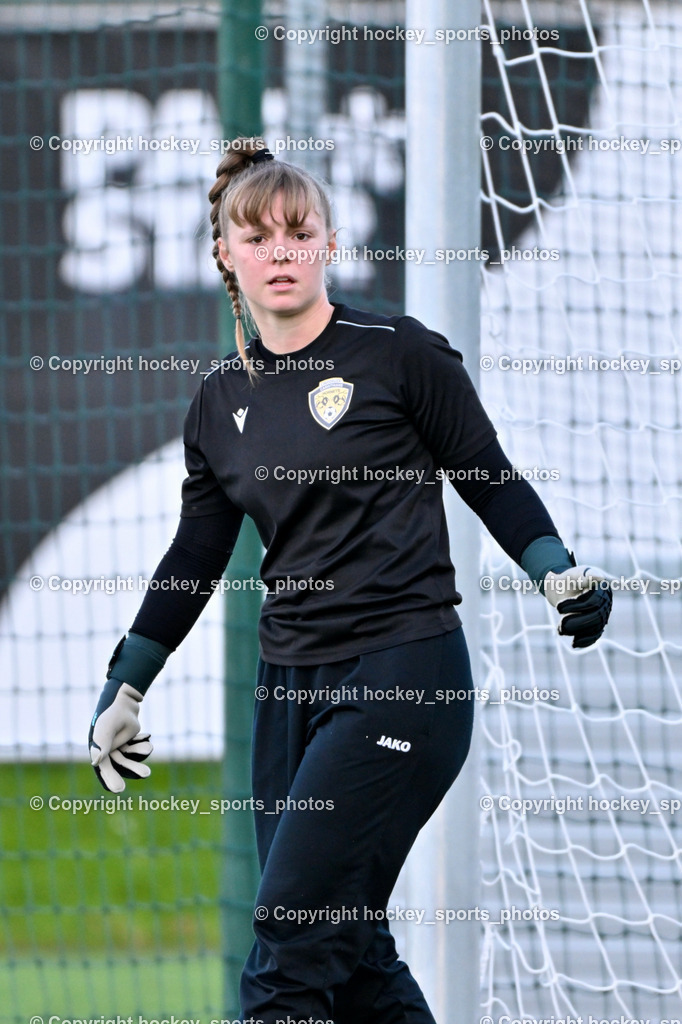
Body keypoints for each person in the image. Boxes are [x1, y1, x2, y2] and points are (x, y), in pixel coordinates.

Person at [88, 138, 612, 1024]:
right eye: (258, 237)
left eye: (299, 234)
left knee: (288, 953)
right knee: (353, 957)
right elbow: (194, 555)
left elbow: (488, 477)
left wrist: (554, 570)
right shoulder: (218, 401)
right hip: (288, 689)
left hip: (404, 674)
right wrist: (126, 685)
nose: (280, 253)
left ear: (331, 243)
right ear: (225, 254)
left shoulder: (398, 353)